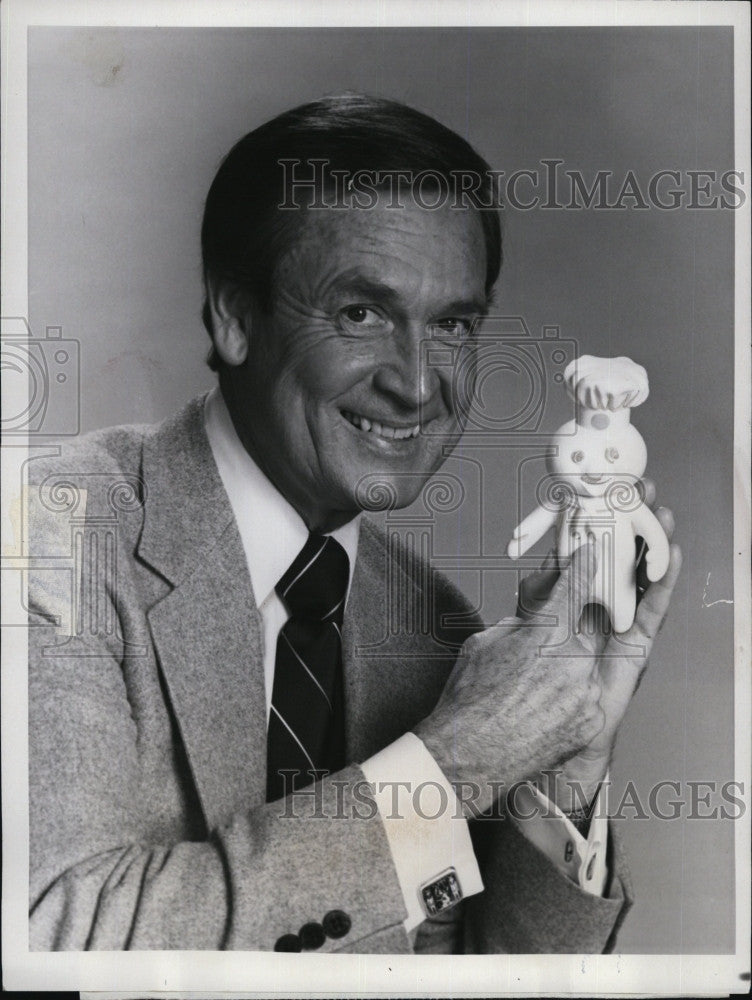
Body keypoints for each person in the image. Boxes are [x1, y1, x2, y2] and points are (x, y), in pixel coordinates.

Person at [27, 94, 681, 953]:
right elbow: (54, 936)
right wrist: (450, 766)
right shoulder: (49, 530)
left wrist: (561, 763)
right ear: (232, 316)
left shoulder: (432, 622)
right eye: (361, 314)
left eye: (452, 324)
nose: (416, 384)